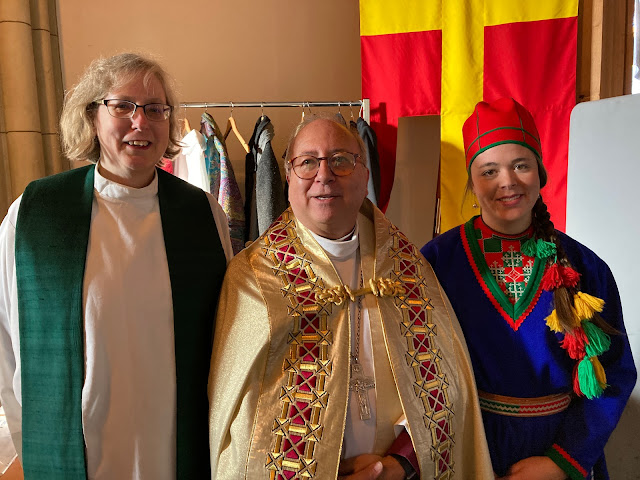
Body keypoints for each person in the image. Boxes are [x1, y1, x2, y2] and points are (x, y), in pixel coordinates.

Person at [208, 114, 494, 479]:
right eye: (308, 162)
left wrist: (402, 461)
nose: (323, 175)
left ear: (364, 175)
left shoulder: (407, 267)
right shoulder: (253, 277)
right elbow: (237, 416)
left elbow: (447, 382)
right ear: (289, 175)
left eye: (341, 160)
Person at [0, 52, 233, 479]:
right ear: (92, 116)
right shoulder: (36, 213)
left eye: (155, 109)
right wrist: (29, 443)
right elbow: (6, 343)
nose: (140, 122)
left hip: (174, 446)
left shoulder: (201, 214)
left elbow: (227, 338)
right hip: (75, 446)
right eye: (122, 106)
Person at [421, 98, 637, 480]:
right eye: (489, 171)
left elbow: (615, 372)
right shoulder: (437, 262)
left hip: (563, 450)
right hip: (471, 448)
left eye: (521, 165)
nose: (508, 181)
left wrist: (562, 462)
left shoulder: (586, 267)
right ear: (472, 182)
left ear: (541, 172)